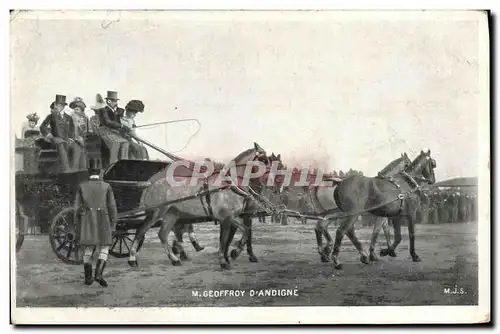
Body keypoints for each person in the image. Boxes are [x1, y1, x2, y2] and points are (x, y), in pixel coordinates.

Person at [75, 158, 118, 287]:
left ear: (89, 172)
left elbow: (76, 209)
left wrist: (78, 225)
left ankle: (88, 278)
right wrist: (113, 223)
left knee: (89, 247)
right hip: (103, 219)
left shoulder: (82, 186)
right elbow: (112, 206)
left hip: (88, 219)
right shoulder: (106, 186)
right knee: (104, 247)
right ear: (100, 173)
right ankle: (98, 274)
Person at [39, 94, 78, 173]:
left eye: (61, 105)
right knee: (60, 145)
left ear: (64, 106)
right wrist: (49, 135)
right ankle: (66, 171)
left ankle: (75, 170)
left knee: (76, 146)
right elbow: (42, 127)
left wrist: (71, 138)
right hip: (55, 139)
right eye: (58, 104)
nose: (59, 106)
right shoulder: (51, 116)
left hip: (66, 140)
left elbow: (72, 130)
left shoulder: (68, 117)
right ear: (55, 105)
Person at [95, 91, 130, 164]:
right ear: (108, 101)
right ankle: (112, 165)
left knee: (125, 142)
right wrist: (121, 126)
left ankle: (124, 164)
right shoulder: (103, 110)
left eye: (116, 101)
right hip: (104, 131)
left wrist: (126, 126)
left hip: (114, 132)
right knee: (115, 144)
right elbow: (107, 122)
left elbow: (120, 121)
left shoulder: (118, 111)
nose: (115, 103)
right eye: (114, 101)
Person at [69, 97, 89, 171]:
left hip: (83, 140)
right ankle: (73, 173)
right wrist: (78, 139)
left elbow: (87, 129)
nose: (75, 111)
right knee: (76, 157)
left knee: (83, 158)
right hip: (74, 140)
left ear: (81, 109)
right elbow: (73, 130)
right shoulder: (72, 117)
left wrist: (85, 139)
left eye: (77, 109)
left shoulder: (85, 117)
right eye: (74, 109)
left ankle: (82, 174)